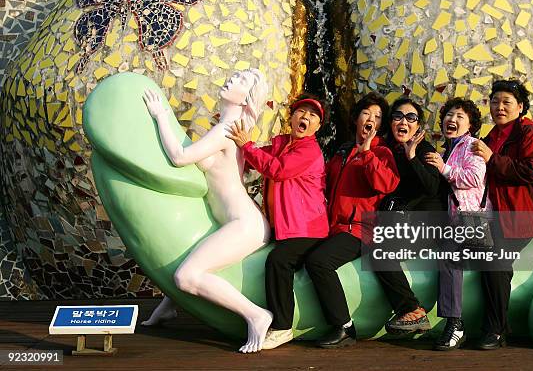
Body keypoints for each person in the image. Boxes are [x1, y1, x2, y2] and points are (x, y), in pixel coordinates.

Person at [140, 69, 273, 353]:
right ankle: (168, 308)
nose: (231, 78)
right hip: (233, 221)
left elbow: (180, 157)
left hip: (244, 225)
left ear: (246, 98)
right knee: (188, 257)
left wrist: (161, 115)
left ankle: (256, 315)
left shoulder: (227, 129)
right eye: (235, 75)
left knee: (186, 276)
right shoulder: (230, 125)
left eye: (240, 80)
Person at [305, 92, 429, 348]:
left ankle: (344, 326)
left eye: (377, 116)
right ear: (356, 118)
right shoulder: (341, 151)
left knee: (319, 262)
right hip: (333, 227)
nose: (371, 119)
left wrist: (367, 153)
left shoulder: (382, 152)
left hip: (360, 229)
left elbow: (385, 183)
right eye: (366, 113)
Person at [226, 94, 329, 350]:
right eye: (300, 112)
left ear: (318, 127)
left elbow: (278, 170)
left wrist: (246, 146)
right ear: (291, 117)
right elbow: (256, 158)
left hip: (308, 230)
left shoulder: (309, 149)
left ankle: (282, 326)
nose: (305, 117)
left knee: (279, 260)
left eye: (312, 115)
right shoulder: (282, 144)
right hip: (287, 229)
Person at [471, 79, 533, 350]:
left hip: (524, 216)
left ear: (520, 107)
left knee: (495, 259)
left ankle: (495, 330)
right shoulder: (492, 135)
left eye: (506, 102)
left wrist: (492, 159)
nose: (499, 107)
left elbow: (532, 171)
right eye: (495, 101)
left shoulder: (529, 134)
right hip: (496, 215)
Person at [424, 98, 489, 350]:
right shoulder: (447, 149)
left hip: (471, 219)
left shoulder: (472, 145)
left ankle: (455, 323)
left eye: (459, 116)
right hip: (453, 221)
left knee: (450, 256)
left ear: (470, 124)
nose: (452, 120)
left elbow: (474, 177)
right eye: (448, 115)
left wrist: (444, 168)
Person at [379, 96, 447, 335]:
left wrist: (412, 155)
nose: (403, 121)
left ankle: (412, 311)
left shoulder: (426, 151)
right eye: (397, 116)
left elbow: (431, 187)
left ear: (418, 126)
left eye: (411, 117)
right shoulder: (387, 150)